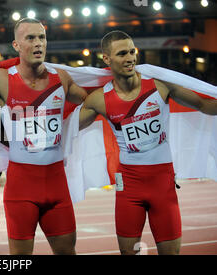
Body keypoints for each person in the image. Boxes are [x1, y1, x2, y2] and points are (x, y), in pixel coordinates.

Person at [79, 30, 217, 255]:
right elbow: (68, 128)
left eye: (132, 51)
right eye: (122, 53)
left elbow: (204, 105)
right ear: (106, 59)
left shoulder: (160, 86)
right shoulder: (99, 100)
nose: (130, 58)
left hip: (163, 184)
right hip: (129, 187)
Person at [0, 18, 88, 255]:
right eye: (30, 38)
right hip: (21, 188)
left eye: (42, 37)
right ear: (16, 45)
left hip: (57, 185)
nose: (38, 43)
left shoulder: (61, 77)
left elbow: (94, 103)